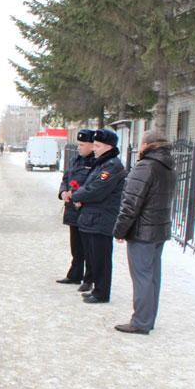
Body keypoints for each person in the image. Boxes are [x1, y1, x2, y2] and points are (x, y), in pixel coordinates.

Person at [112, 128, 177, 335]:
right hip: (159, 229)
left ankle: (141, 321)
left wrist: (120, 230)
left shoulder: (145, 167)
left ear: (146, 145)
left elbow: (130, 203)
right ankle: (148, 318)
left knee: (141, 276)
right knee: (152, 277)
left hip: (142, 231)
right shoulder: (168, 167)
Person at [69, 129, 126, 304]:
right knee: (93, 256)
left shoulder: (112, 166)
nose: (94, 148)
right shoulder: (102, 163)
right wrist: (79, 194)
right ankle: (97, 289)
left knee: (101, 258)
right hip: (92, 217)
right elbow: (88, 184)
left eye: (98, 146)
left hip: (102, 218)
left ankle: (102, 292)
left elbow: (96, 190)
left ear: (108, 147)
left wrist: (76, 195)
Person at [56, 129, 96, 291]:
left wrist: (78, 196)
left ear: (92, 146)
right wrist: (63, 192)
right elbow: (66, 179)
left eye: (82, 145)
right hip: (73, 208)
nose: (78, 147)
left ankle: (89, 278)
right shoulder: (75, 161)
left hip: (84, 209)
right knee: (76, 245)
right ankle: (75, 274)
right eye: (78, 144)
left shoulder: (96, 163)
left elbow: (92, 186)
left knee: (88, 247)